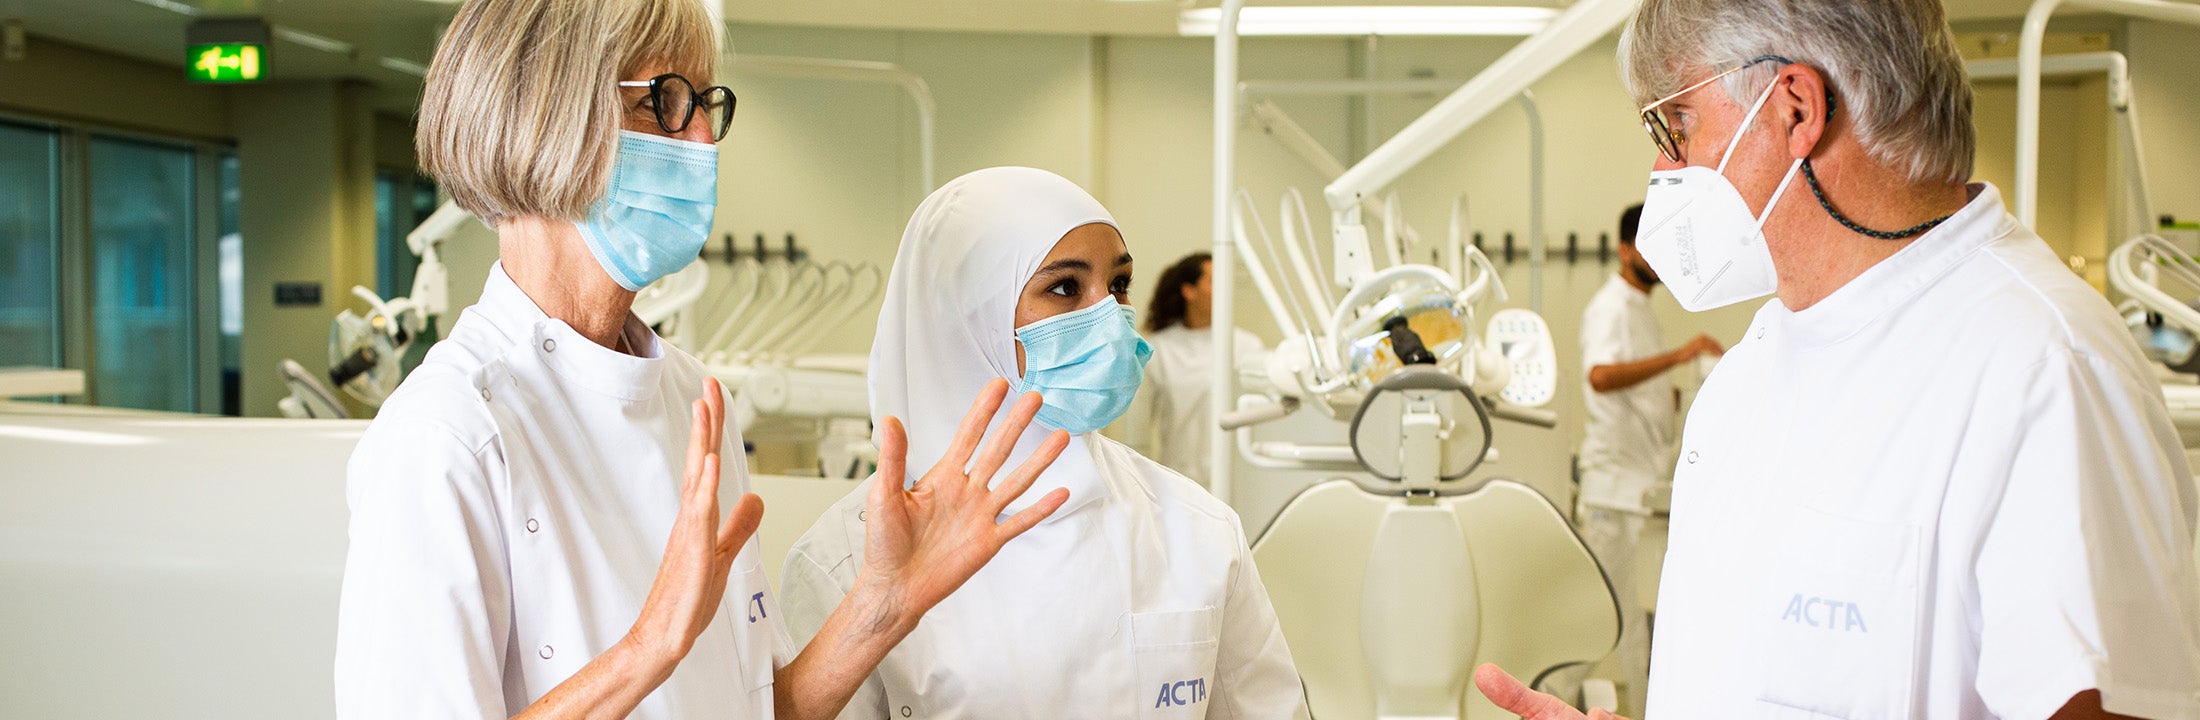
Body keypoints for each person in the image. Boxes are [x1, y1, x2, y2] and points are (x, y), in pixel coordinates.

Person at [334, 2, 1072, 717]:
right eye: (664, 102)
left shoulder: (691, 396)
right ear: (544, 113)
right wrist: (649, 648)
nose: (701, 144)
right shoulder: (448, 436)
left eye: (704, 106)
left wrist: (885, 607)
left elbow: (753, 710)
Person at [1477, 1, 2200, 718]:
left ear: (1795, 108)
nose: (1664, 168)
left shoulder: (2046, 375)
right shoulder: (1750, 372)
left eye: (1677, 127)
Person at [780, 167, 1308, 718]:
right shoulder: (845, 562)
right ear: (968, 315)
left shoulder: (1198, 527)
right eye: (1064, 288)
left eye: (1119, 285)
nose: (1109, 316)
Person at [1570, 203, 1723, 714]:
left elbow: (1637, 389)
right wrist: (1680, 357)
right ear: (1624, 249)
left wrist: (1674, 395)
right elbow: (1601, 377)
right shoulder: (1610, 307)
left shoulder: (1640, 312)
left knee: (1637, 628)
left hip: (1639, 491)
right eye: (1649, 247)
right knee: (1603, 621)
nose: (1658, 259)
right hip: (1614, 493)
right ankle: (1545, 701)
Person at [1131, 251, 1266, 486]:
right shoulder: (1157, 349)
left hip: (1238, 482)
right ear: (1189, 291)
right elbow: (1137, 434)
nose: (1225, 291)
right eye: (1215, 282)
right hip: (1178, 482)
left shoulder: (1247, 346)